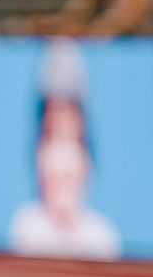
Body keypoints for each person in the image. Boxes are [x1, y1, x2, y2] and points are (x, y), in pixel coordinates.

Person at [9, 55, 121, 258]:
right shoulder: (27, 226)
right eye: (51, 136)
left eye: (73, 139)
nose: (61, 161)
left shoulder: (102, 235)